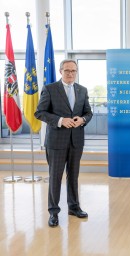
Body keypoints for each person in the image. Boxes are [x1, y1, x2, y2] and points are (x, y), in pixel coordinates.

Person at [35, 59, 93, 227]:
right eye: (67, 70)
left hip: (76, 141)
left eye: (73, 71)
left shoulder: (82, 90)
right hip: (56, 142)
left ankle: (74, 207)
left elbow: (88, 113)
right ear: (61, 71)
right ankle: (53, 212)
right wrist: (60, 120)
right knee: (55, 177)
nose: (70, 74)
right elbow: (40, 112)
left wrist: (81, 119)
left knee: (73, 176)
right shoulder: (50, 89)